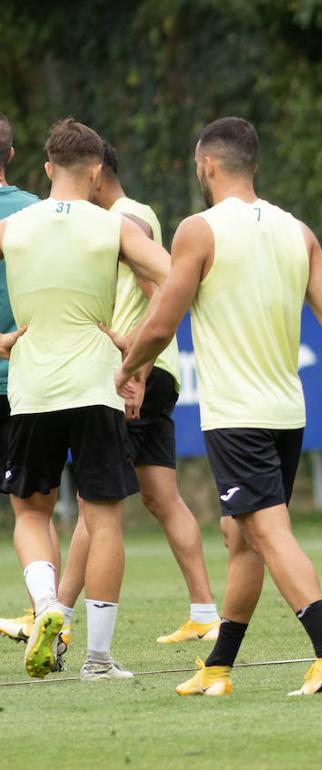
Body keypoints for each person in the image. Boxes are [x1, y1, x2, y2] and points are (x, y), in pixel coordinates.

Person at [117, 117, 322, 696]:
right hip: (286, 414)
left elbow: (162, 320)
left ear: (207, 166)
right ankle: (218, 668)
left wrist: (128, 368)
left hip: (236, 415)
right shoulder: (298, 231)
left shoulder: (199, 230)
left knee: (267, 533)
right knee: (241, 537)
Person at [0, 118, 170, 680]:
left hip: (33, 389)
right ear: (96, 171)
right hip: (97, 385)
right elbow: (174, 281)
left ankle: (47, 605)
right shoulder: (113, 226)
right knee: (104, 521)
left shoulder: (15, 225)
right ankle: (97, 658)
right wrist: (137, 348)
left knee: (30, 511)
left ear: (47, 169)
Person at [50, 141, 221, 662]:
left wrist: (137, 368)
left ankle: (55, 619)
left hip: (133, 374)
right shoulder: (131, 214)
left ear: (96, 175)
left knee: (93, 505)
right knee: (161, 498)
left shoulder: (125, 218)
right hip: (154, 371)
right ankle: (204, 613)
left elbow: (157, 287)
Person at [0, 112, 63, 647]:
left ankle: (45, 610)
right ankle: (51, 614)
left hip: (23, 380)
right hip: (30, 384)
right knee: (37, 512)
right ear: (12, 155)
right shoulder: (40, 214)